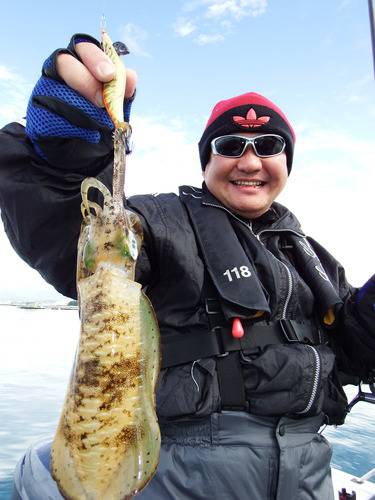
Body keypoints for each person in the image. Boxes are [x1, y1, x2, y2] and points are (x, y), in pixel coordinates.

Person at [1, 33, 375, 500]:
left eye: (269, 144)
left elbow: (360, 352)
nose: (250, 160)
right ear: (207, 160)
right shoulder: (157, 223)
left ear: (287, 160)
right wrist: (64, 159)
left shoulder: (314, 259)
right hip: (184, 474)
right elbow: (65, 239)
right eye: (231, 143)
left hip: (307, 475)